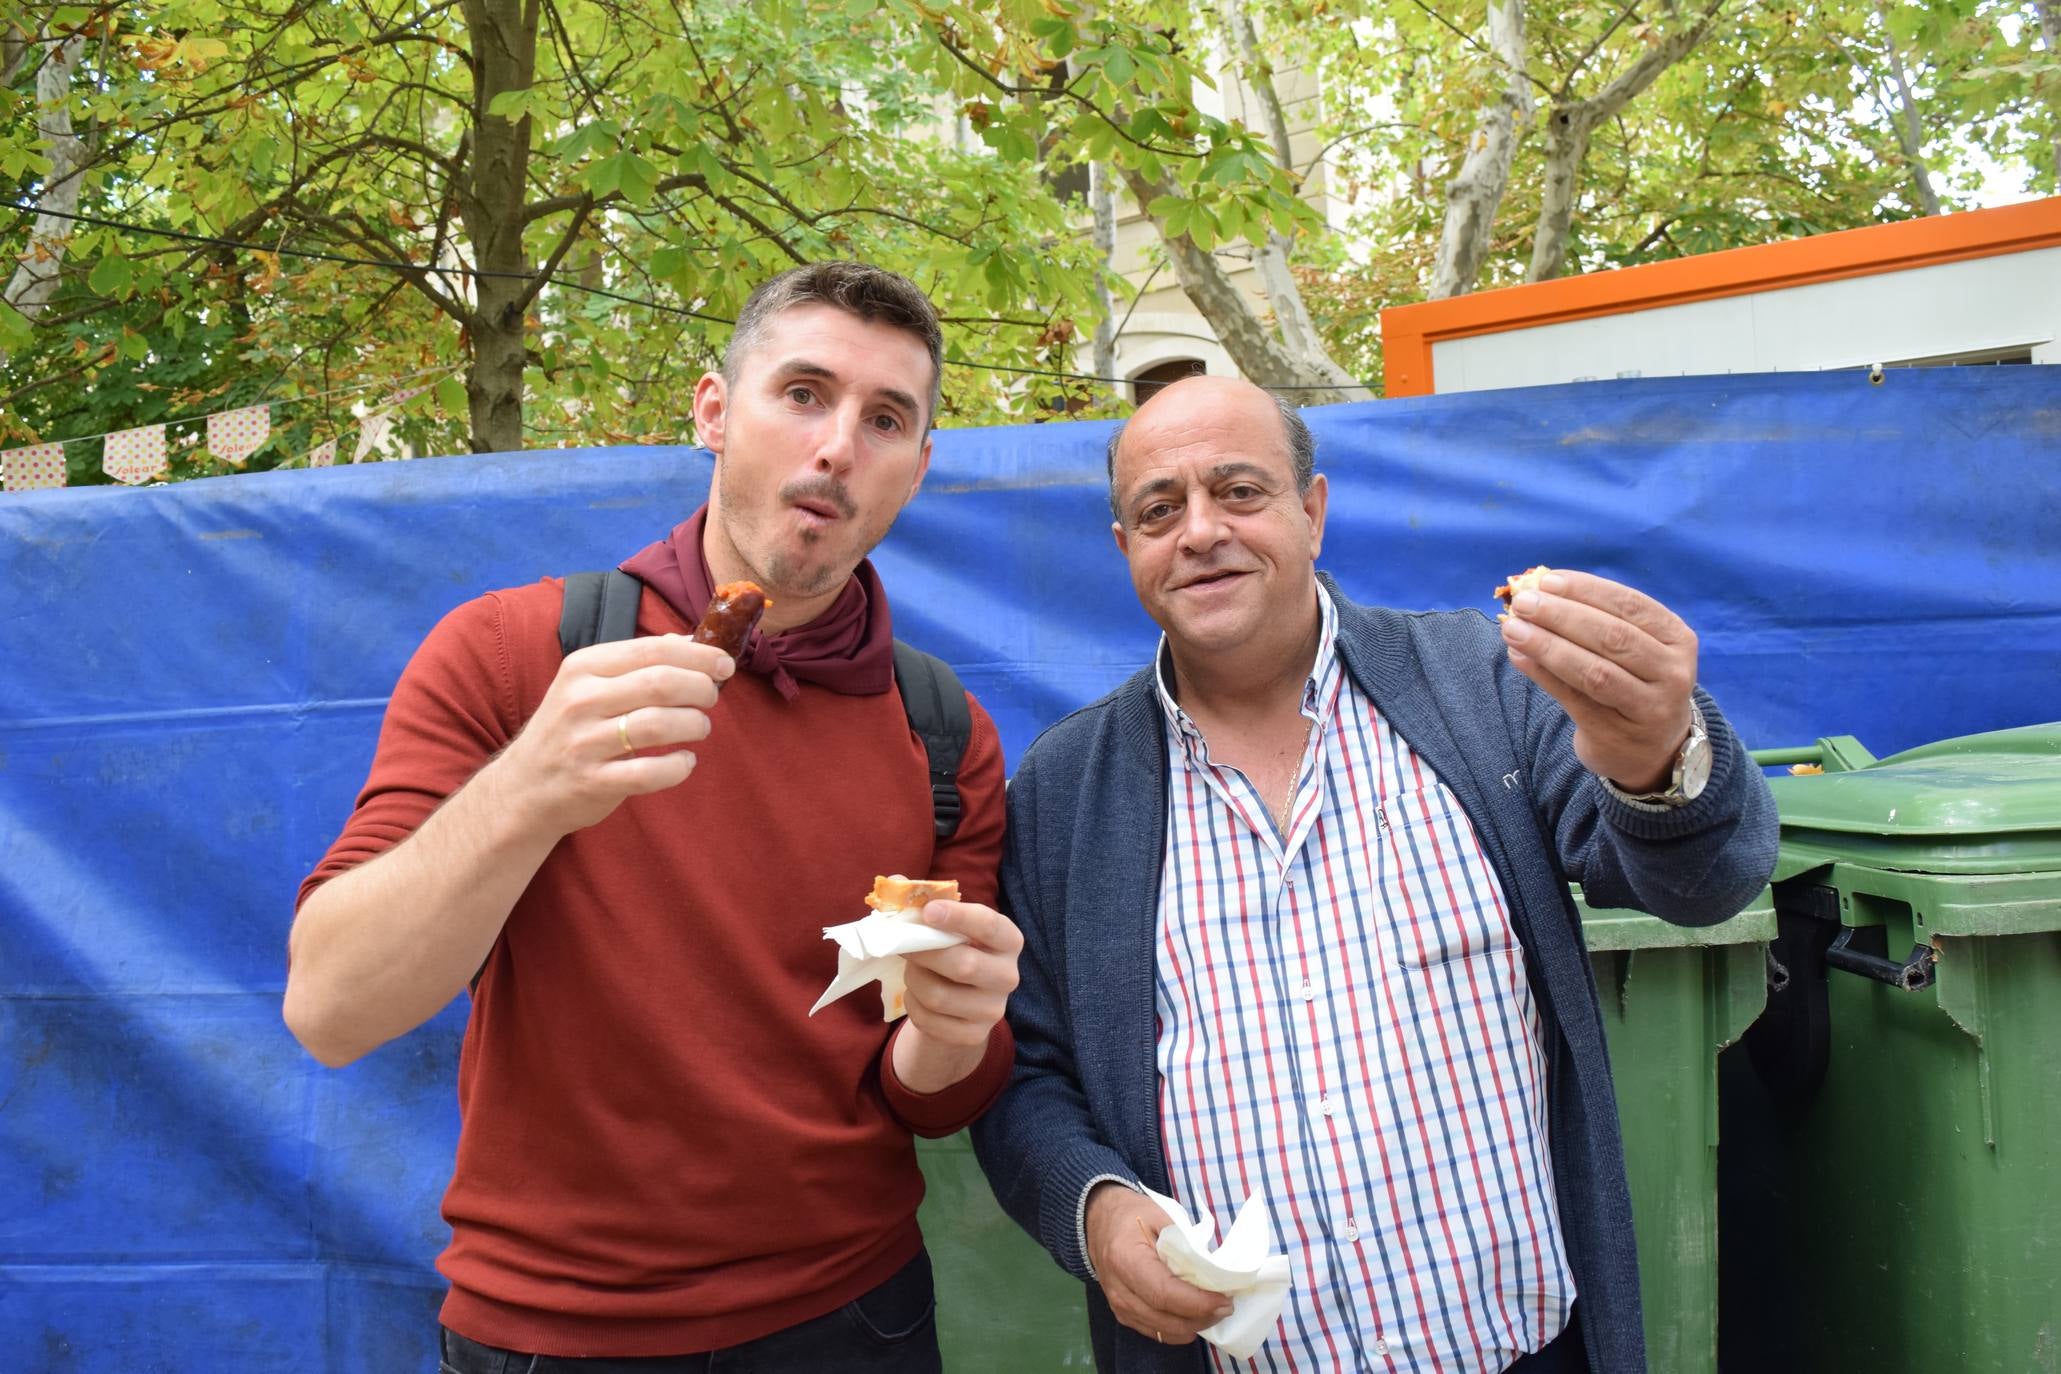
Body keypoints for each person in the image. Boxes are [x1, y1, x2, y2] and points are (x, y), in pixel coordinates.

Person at [284, 262, 1023, 1372]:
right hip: (553, 1331)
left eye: (885, 420)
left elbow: (918, 1094)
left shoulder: (942, 733)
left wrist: (959, 1031)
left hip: (853, 1316)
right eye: (804, 394)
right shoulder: (513, 654)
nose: (836, 447)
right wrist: (530, 785)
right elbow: (330, 1010)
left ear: (914, 473)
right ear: (715, 412)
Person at [971, 374, 1778, 1374]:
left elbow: (1702, 883)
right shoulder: (1065, 788)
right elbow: (1025, 1078)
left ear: (1312, 512)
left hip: (1523, 1351)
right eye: (1159, 509)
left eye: (1240, 491)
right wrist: (1091, 1210)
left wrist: (1661, 751)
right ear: (1126, 547)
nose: (1200, 531)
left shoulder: (1483, 688)